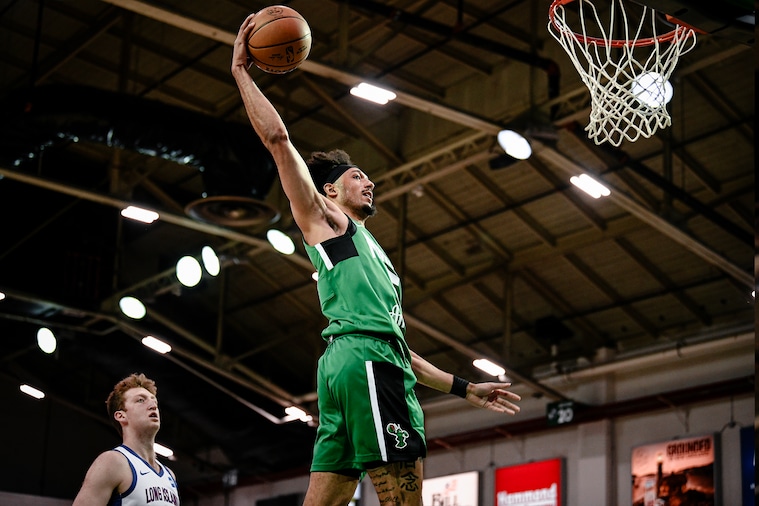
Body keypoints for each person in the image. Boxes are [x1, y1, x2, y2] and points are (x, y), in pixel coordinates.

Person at [231, 13, 522, 506]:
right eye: (357, 176)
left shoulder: (371, 252)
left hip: (353, 364)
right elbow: (279, 142)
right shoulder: (330, 224)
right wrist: (241, 71)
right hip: (366, 363)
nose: (369, 182)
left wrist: (464, 388)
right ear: (330, 190)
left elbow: (400, 350)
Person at [72, 373, 179, 506]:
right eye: (141, 400)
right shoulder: (112, 462)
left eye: (154, 401)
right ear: (121, 416)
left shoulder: (169, 476)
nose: (153, 405)